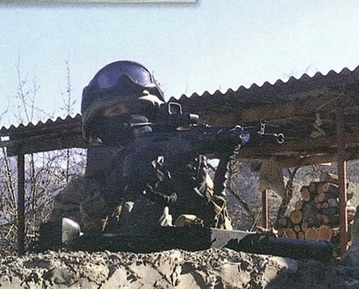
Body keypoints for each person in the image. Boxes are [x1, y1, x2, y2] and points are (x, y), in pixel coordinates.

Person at [48, 61, 232, 234]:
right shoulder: (81, 190)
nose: (129, 117)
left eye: (136, 108)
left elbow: (224, 237)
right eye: (115, 111)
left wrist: (198, 192)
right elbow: (57, 238)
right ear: (98, 124)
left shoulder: (179, 170)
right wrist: (109, 194)